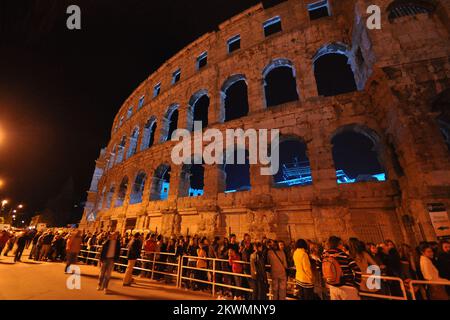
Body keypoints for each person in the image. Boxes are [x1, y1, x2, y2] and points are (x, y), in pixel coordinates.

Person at [322, 236, 361, 300]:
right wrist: (356, 284)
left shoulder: (324, 255)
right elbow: (357, 270)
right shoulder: (344, 255)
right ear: (339, 244)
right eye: (342, 244)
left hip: (332, 287)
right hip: (347, 287)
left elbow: (319, 267)